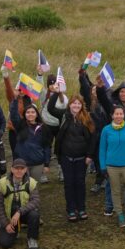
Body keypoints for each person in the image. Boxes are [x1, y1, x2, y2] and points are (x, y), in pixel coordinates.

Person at [48, 90, 96, 222]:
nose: (76, 106)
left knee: (80, 183)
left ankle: (81, 208)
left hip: (82, 158)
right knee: (69, 184)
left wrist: (90, 155)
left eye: (78, 103)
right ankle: (71, 209)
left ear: (82, 105)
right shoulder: (63, 116)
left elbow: (93, 138)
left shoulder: (87, 118)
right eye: (74, 103)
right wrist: (56, 93)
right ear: (69, 104)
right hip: (66, 158)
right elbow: (50, 108)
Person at [0, 159, 41, 249]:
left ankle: (32, 238)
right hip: (10, 218)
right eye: (16, 168)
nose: (19, 171)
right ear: (12, 169)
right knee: (5, 244)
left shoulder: (31, 182)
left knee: (34, 215)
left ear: (26, 170)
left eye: (22, 168)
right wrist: (6, 224)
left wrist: (19, 212)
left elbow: (36, 201)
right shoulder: (1, 183)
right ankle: (15, 230)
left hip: (24, 213)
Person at [11, 102, 48, 183]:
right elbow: (14, 116)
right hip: (22, 164)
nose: (30, 114)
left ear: (37, 114)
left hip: (37, 164)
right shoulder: (20, 126)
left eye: (33, 112)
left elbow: (46, 146)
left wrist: (46, 164)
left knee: (33, 186)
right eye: (28, 112)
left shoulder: (43, 127)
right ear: (24, 114)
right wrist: (15, 100)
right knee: (22, 185)